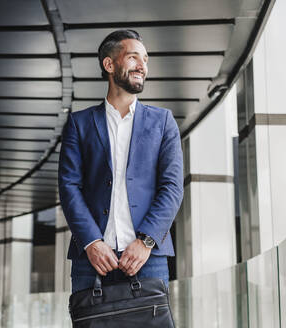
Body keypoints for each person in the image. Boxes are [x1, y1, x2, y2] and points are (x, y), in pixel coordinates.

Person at [58, 30, 184, 298]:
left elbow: (172, 187)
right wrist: (91, 242)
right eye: (134, 57)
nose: (142, 66)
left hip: (147, 258)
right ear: (109, 64)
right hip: (91, 259)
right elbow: (69, 186)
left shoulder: (163, 122)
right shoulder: (79, 124)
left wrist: (146, 241)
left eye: (146, 60)